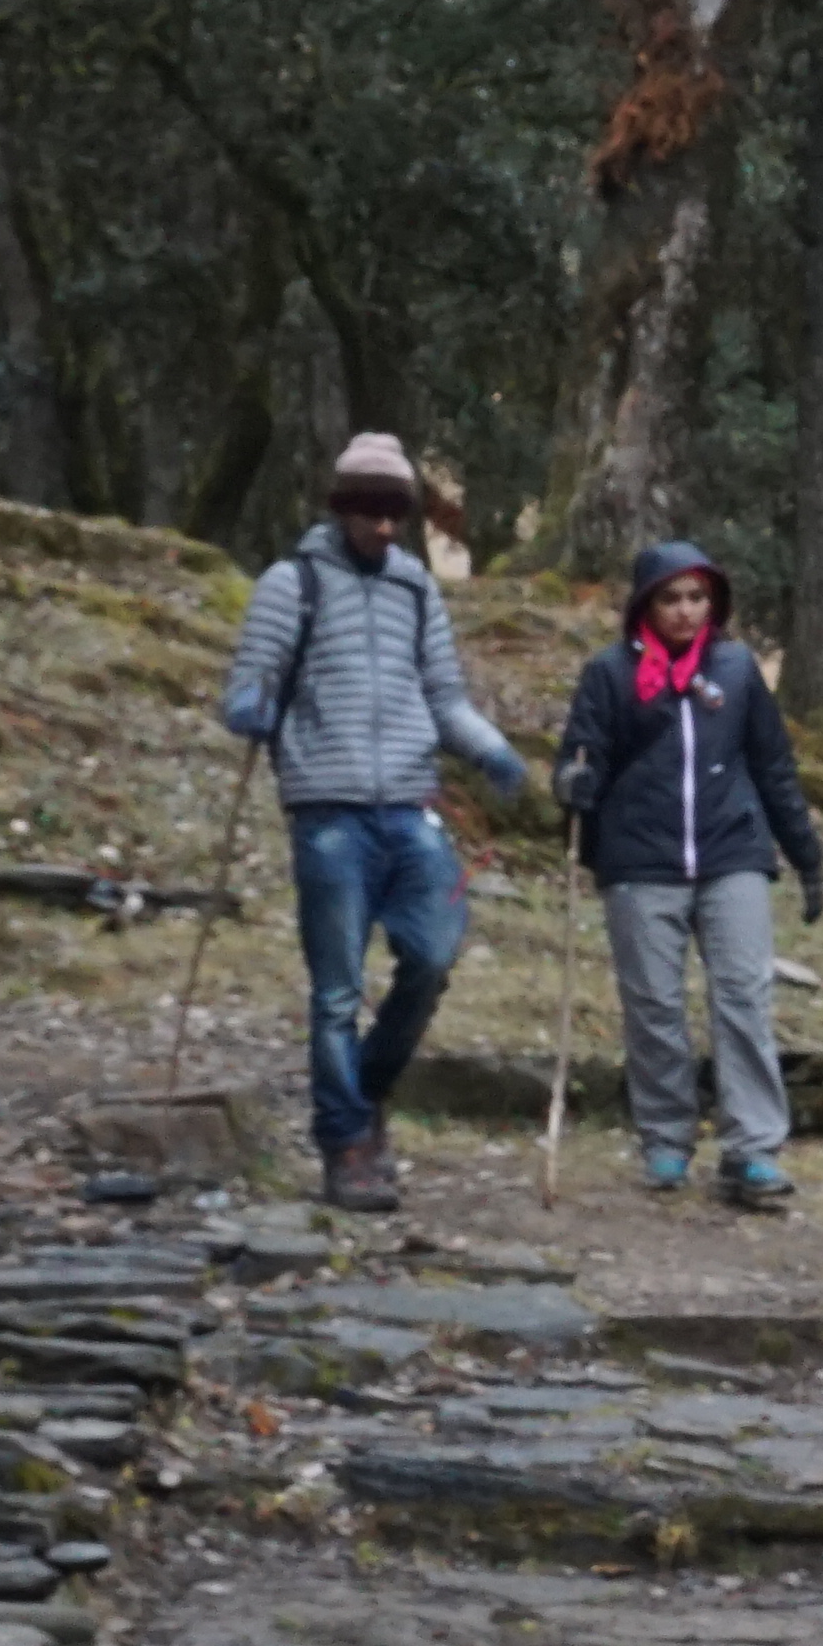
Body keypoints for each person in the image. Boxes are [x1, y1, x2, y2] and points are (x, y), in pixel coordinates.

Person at [219, 431, 534, 1214]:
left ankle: (363, 1093)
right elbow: (252, 680)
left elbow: (445, 697)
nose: (385, 528)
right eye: (371, 512)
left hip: (410, 805)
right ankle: (347, 1146)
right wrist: (251, 706)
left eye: (396, 514)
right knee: (336, 992)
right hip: (327, 810)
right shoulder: (291, 583)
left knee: (432, 955)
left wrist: (493, 751)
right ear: (342, 506)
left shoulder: (415, 588)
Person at [557, 537, 823, 1212]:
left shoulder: (735, 670)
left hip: (731, 852)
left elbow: (773, 766)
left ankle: (753, 1149)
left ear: (714, 603)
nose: (684, 611)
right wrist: (573, 787)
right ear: (645, 605)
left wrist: (806, 855)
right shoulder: (609, 673)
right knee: (653, 1004)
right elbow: (579, 761)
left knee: (743, 995)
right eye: (670, 598)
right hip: (639, 860)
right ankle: (666, 1137)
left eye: (697, 597)